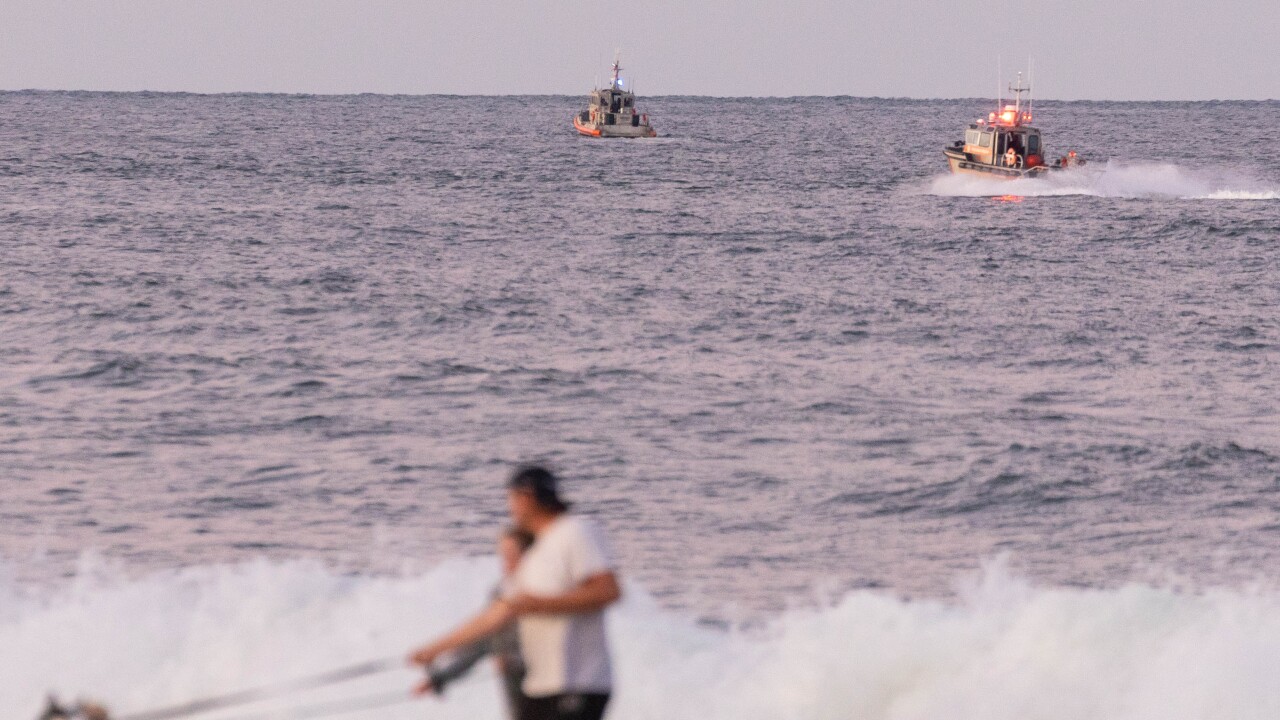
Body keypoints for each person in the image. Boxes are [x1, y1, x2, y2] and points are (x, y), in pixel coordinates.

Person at [410, 466, 622, 720]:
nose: (510, 508)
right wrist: (436, 648)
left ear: (527, 497)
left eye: (511, 499)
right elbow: (494, 616)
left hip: (578, 683)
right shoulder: (534, 559)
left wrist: (538, 604)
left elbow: (608, 590)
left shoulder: (576, 531)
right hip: (542, 688)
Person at [415, 527, 534, 719]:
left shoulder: (547, 588)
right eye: (504, 556)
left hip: (547, 679)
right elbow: (481, 642)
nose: (507, 563)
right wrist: (440, 678)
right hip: (514, 675)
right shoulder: (501, 590)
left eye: (513, 555)